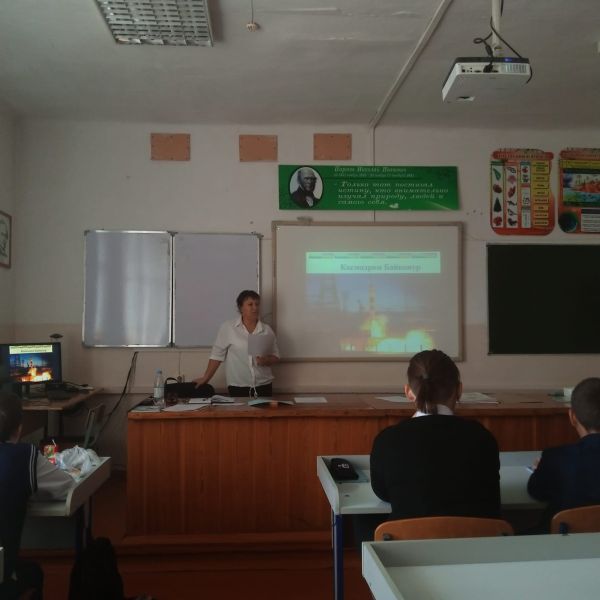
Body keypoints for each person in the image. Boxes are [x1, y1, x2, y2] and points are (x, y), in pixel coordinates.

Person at [370, 349, 500, 522]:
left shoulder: (388, 440)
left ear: (408, 392)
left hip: (408, 539)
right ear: (459, 390)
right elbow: (491, 493)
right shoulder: (482, 437)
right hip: (477, 538)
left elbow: (382, 492)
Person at [0, 391, 74, 600]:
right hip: (3, 576)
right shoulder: (24, 457)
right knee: (34, 573)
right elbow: (66, 486)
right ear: (19, 428)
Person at [527, 377, 600, 530]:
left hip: (562, 540)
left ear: (572, 417)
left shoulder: (556, 458)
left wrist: (543, 468)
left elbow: (535, 491)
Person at [194, 290, 280, 398]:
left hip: (264, 385)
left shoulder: (267, 330)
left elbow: (276, 356)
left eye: (257, 304)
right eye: (250, 304)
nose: (255, 308)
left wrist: (266, 360)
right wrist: (206, 378)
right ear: (240, 308)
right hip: (238, 386)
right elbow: (217, 356)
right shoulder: (228, 328)